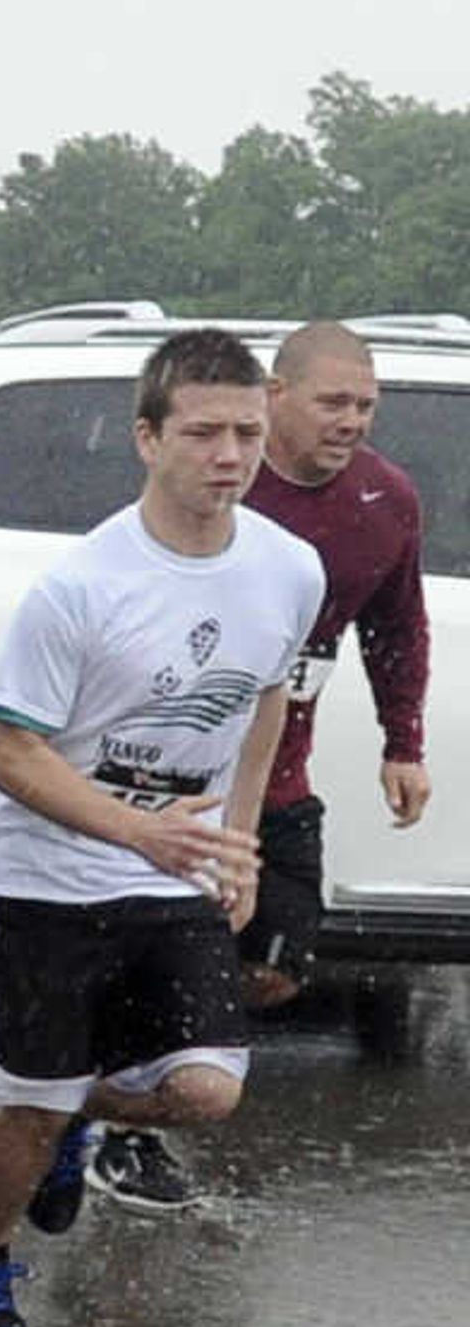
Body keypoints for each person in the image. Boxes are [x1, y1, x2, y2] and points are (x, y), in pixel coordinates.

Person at [0, 331, 320, 1327]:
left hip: (178, 868)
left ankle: (72, 1115)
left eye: (246, 432)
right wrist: (136, 831)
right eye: (202, 432)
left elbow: (269, 696)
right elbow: (8, 752)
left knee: (205, 1089)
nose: (229, 455)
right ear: (148, 439)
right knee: (24, 1108)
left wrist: (240, 838)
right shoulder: (83, 585)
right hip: (51, 871)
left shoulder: (290, 568)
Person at [65, 320, 439, 1211]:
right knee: (157, 954)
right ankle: (117, 1132)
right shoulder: (222, 482)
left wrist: (404, 744)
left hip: (278, 778)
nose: (351, 421)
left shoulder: (384, 501)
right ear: (277, 396)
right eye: (332, 402)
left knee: (274, 966)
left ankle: (85, 1093)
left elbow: (398, 625)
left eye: (366, 406)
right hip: (176, 776)